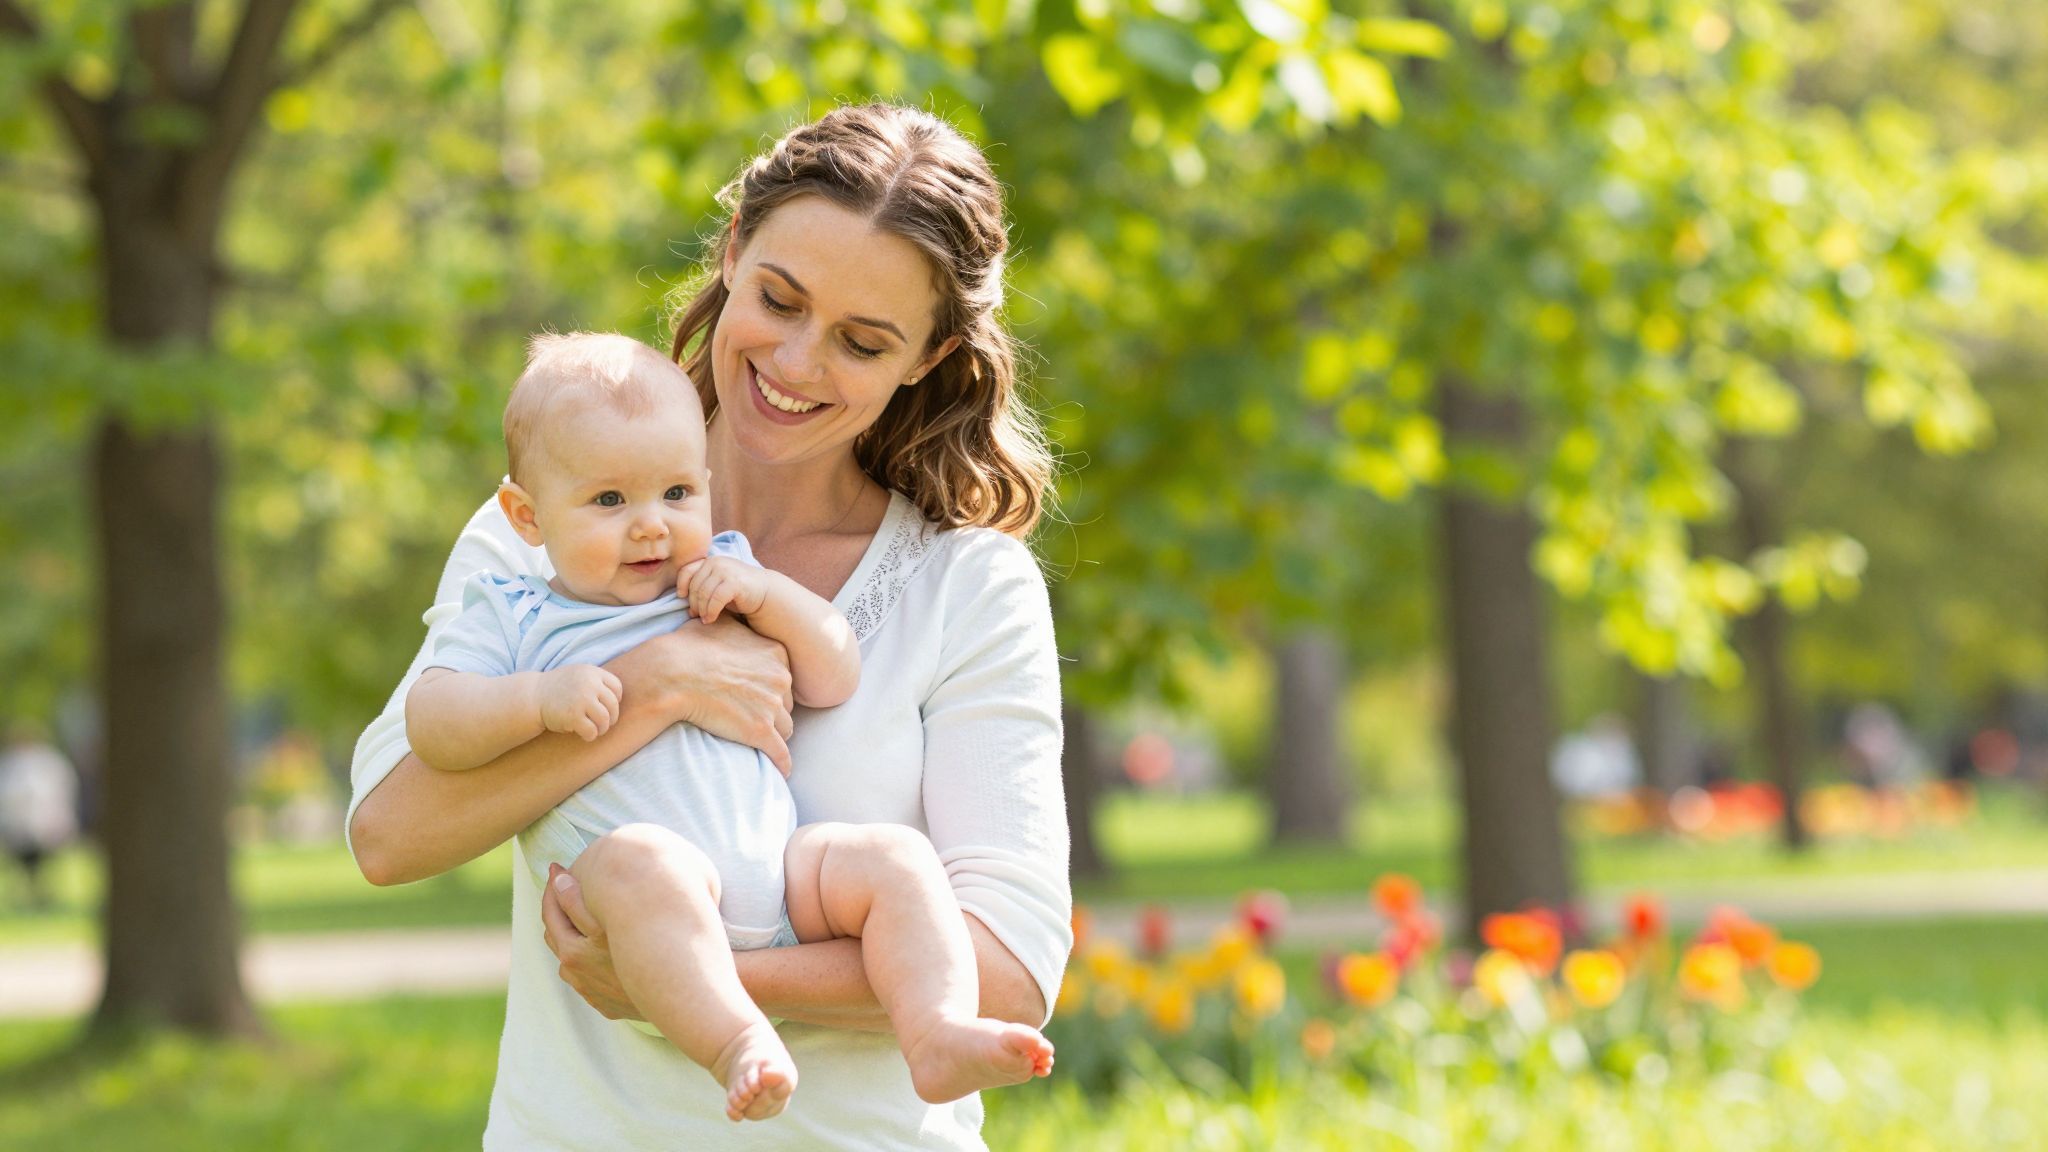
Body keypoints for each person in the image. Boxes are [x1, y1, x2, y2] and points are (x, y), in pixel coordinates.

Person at [348, 102, 1072, 1149]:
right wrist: (660, 687)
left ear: (925, 357)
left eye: (862, 342)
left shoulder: (967, 587)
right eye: (777, 299)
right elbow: (388, 833)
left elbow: (1006, 969)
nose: (796, 361)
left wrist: (684, 979)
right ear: (732, 251)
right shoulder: (549, 528)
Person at [405, 331, 1053, 1121]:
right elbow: (435, 721)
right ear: (526, 516)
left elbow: (834, 670)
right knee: (642, 863)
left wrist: (766, 596)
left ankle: (938, 1029)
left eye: (676, 494)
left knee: (891, 857)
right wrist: (537, 701)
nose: (651, 526)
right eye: (610, 502)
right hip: (647, 887)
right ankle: (738, 1041)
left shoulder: (722, 571)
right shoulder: (515, 609)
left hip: (780, 876)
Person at [0, 725, 80, 909]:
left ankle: (41, 891)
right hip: (18, 828)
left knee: (43, 859)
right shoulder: (9, 764)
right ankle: (33, 891)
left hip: (45, 825)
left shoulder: (50, 763)